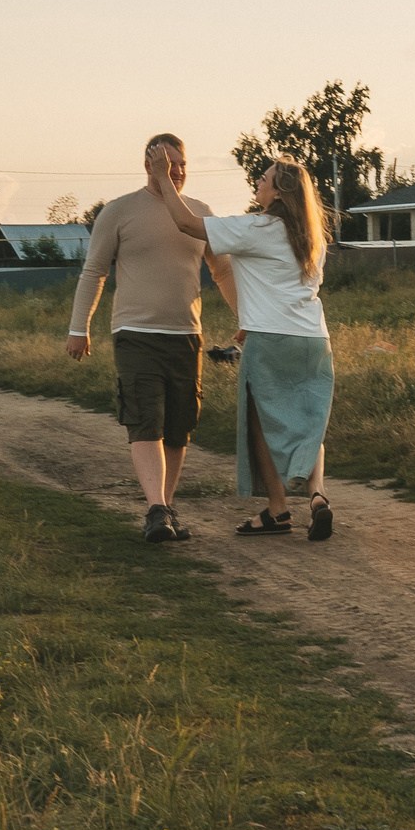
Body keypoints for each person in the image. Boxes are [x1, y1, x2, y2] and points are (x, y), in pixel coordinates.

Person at [144, 144, 336, 540]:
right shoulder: (313, 237)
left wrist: (163, 176)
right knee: (308, 425)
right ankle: (317, 496)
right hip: (315, 340)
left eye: (263, 180)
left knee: (260, 423)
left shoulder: (257, 228)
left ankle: (278, 510)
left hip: (271, 339)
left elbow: (187, 223)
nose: (258, 184)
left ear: (278, 193)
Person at [66, 133, 238, 544]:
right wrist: (78, 328)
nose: (176, 172)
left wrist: (247, 320)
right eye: (167, 164)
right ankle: (155, 508)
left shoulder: (200, 214)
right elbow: (94, 272)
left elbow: (223, 271)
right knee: (146, 420)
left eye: (182, 165)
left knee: (179, 427)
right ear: (148, 165)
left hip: (187, 335)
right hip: (136, 334)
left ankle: (165, 510)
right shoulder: (118, 211)